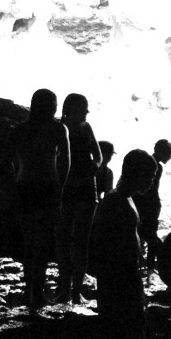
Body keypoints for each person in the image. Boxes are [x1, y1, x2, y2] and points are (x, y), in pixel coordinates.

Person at [92, 148, 157, 339]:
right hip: (117, 279)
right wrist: (107, 277)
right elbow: (97, 241)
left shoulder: (127, 199)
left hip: (128, 277)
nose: (152, 180)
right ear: (135, 173)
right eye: (149, 175)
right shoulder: (113, 200)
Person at [8, 88, 70, 310]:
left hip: (24, 186)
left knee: (29, 242)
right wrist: (60, 187)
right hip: (47, 188)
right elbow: (65, 161)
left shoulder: (19, 130)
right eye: (54, 103)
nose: (56, 107)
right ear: (48, 105)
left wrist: (14, 183)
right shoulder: (57, 129)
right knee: (42, 243)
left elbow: (9, 161)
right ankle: (37, 292)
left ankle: (30, 292)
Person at [56, 93, 102, 304]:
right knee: (64, 240)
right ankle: (64, 289)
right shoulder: (59, 127)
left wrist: (96, 165)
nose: (87, 111)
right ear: (71, 108)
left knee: (81, 241)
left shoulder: (86, 127)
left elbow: (98, 154)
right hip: (66, 188)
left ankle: (76, 290)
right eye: (84, 107)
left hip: (86, 187)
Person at [133, 138, 171, 276]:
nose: (170, 157)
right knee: (150, 235)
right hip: (150, 203)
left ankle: (142, 263)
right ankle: (151, 266)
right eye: (169, 154)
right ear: (162, 152)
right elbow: (152, 188)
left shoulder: (146, 161)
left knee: (141, 232)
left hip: (142, 201)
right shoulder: (156, 165)